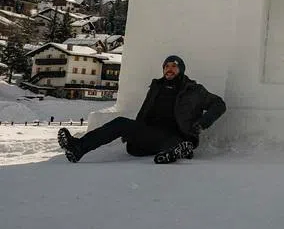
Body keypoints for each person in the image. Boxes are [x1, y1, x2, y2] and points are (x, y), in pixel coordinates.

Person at [57, 54, 226, 164]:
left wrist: (203, 123)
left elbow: (219, 104)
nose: (169, 69)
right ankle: (77, 148)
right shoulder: (157, 87)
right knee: (120, 123)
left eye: (174, 66)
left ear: (181, 69)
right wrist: (134, 131)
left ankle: (178, 150)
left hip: (178, 134)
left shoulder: (193, 90)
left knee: (175, 142)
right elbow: (146, 111)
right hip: (151, 133)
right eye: (166, 66)